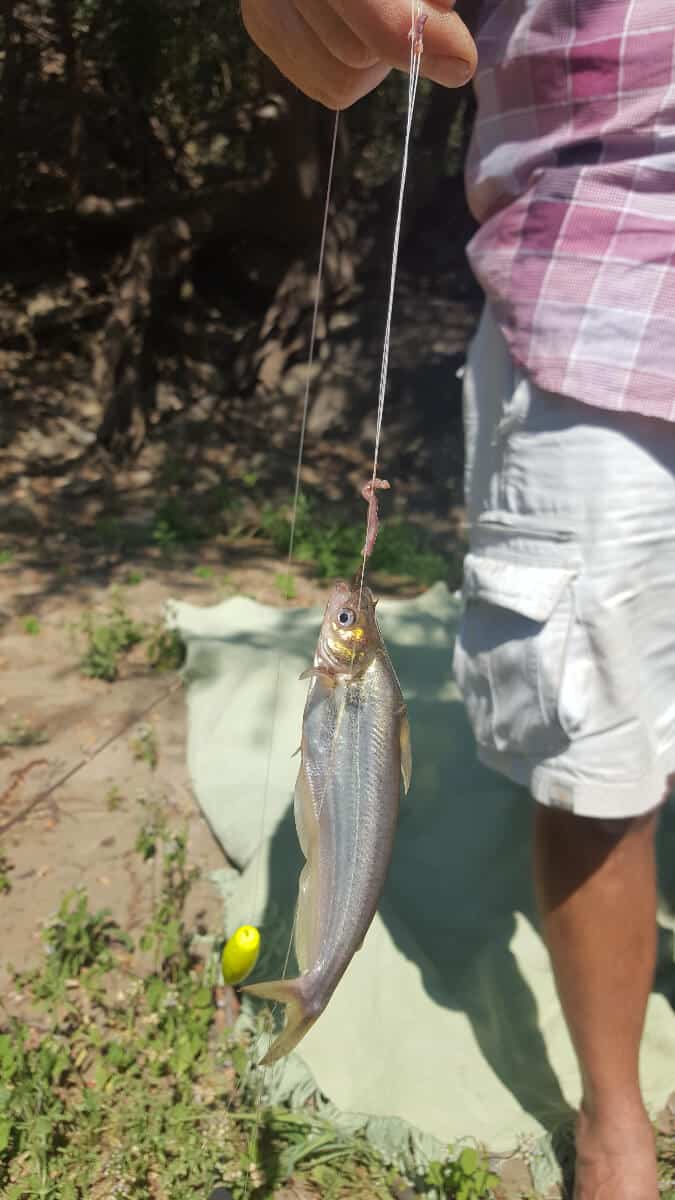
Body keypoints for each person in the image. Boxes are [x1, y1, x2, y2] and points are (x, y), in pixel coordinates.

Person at [240, 4, 674, 1198]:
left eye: (348, 622)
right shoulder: (352, 679)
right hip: (611, 276)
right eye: (349, 625)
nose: (344, 619)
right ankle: (613, 1118)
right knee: (598, 758)